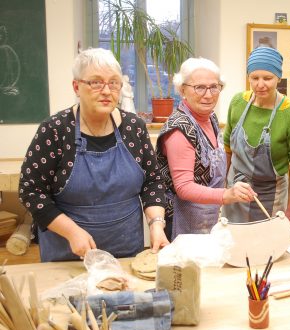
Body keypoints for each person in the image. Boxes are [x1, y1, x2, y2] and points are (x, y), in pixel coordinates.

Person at [18, 48, 169, 262]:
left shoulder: (134, 127)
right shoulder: (55, 130)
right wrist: (72, 232)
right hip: (69, 254)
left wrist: (156, 224)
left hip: (125, 251)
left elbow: (152, 182)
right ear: (76, 86)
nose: (107, 90)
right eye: (96, 82)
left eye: (114, 82)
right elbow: (31, 191)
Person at [156, 57, 256, 241]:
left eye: (214, 86)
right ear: (182, 90)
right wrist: (227, 194)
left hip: (206, 214)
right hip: (183, 219)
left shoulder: (210, 118)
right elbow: (184, 187)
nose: (208, 95)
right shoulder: (180, 129)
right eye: (199, 87)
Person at [223, 47, 290, 224]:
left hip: (271, 195)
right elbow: (228, 149)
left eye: (267, 78)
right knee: (233, 244)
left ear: (278, 78)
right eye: (254, 78)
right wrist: (223, 189)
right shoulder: (238, 102)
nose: (260, 84)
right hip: (236, 190)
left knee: (267, 246)